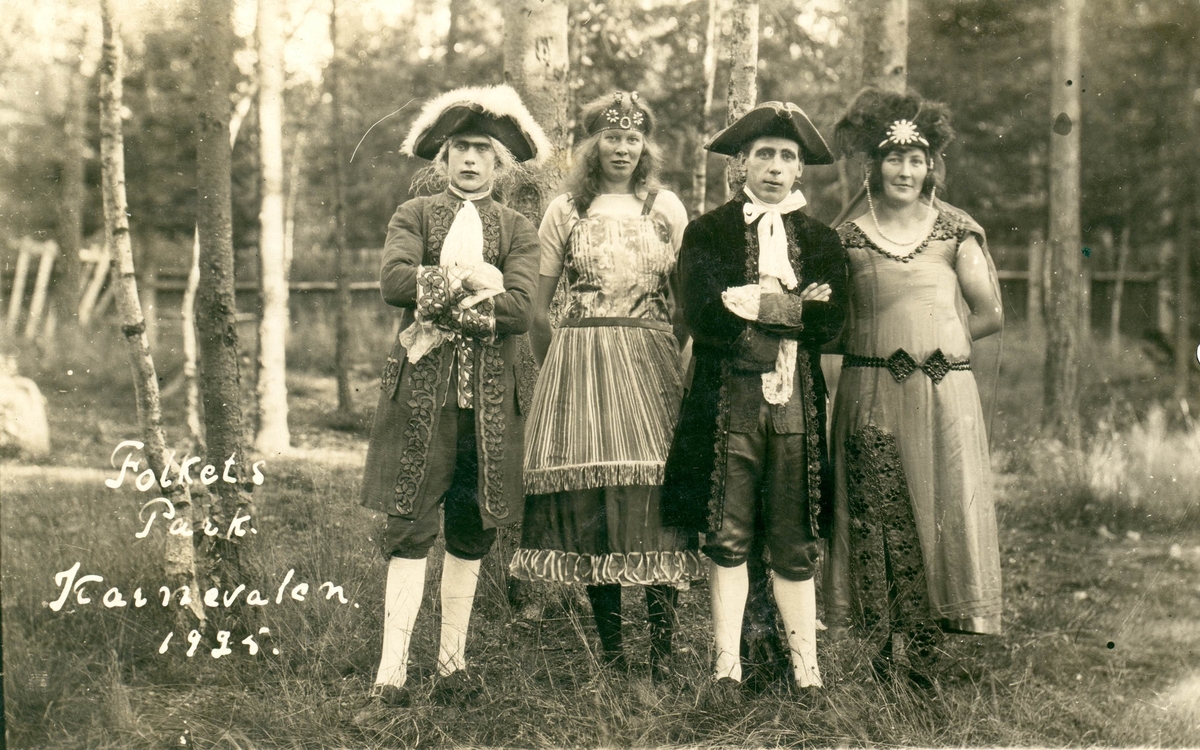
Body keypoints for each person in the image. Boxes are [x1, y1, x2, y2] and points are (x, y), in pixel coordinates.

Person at [359, 85, 549, 706]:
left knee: (471, 530)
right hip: (421, 400)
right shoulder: (413, 215)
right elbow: (393, 282)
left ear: (499, 162)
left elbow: (520, 311)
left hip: (491, 405)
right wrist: (472, 280)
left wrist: (440, 298)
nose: (469, 159)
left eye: (482, 149)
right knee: (410, 528)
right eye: (459, 148)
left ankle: (452, 662)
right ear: (442, 158)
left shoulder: (518, 228)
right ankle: (391, 671)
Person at [509, 92, 702, 680]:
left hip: (651, 359)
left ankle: (662, 653)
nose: (622, 149)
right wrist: (559, 369)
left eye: (633, 138)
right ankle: (615, 654)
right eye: (611, 138)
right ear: (592, 146)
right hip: (580, 361)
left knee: (657, 493)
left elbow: (688, 301)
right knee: (595, 500)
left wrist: (674, 350)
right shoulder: (566, 210)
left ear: (645, 146)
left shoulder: (665, 207)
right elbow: (538, 309)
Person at [661, 102, 850, 695]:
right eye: (763, 154)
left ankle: (807, 673)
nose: (774, 167)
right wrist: (793, 307)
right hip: (727, 403)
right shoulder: (708, 232)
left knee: (795, 537)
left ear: (799, 170)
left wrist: (749, 302)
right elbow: (704, 316)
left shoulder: (821, 240)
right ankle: (726, 667)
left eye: (787, 157)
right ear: (741, 162)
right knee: (727, 535)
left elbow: (832, 322)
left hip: (798, 406)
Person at [822, 88, 1004, 687]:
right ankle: (881, 654)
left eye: (916, 160)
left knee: (939, 512)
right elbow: (829, 324)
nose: (905, 170)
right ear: (875, 165)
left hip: (944, 396)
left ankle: (924, 659)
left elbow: (989, 313)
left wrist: (940, 350)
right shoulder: (847, 238)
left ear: (931, 167)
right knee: (875, 513)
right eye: (894, 158)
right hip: (871, 390)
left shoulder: (955, 231)